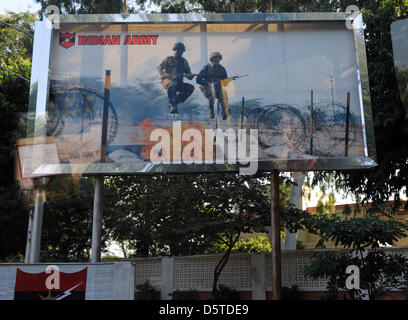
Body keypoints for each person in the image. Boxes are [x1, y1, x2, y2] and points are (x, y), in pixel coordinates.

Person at [157, 42, 196, 114]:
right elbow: (159, 68)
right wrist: (165, 74)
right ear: (174, 50)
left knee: (191, 88)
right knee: (173, 84)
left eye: (181, 50)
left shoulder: (184, 61)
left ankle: (176, 102)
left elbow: (188, 74)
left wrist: (190, 76)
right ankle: (172, 104)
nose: (179, 51)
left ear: (183, 51)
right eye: (177, 49)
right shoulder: (168, 59)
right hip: (167, 81)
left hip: (179, 83)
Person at [196, 51, 229, 119]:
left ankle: (225, 112)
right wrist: (208, 84)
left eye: (218, 59)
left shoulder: (222, 69)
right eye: (215, 59)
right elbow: (198, 80)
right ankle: (211, 111)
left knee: (224, 95)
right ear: (211, 59)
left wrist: (225, 81)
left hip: (218, 88)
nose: (216, 61)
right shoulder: (206, 68)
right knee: (212, 94)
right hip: (207, 88)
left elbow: (225, 83)